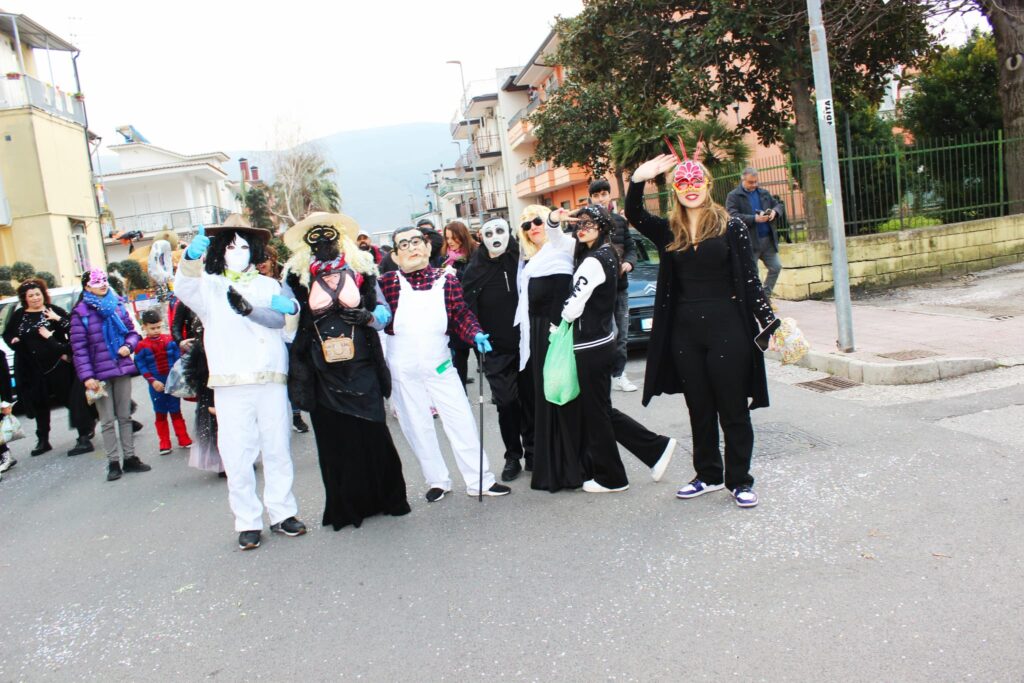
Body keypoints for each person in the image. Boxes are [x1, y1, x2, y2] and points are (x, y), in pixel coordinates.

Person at [626, 148, 781, 508]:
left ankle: (739, 480)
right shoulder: (669, 229)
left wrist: (768, 322)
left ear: (708, 185)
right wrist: (638, 179)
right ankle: (708, 475)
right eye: (683, 183)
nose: (690, 188)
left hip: (728, 327)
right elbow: (634, 214)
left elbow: (750, 279)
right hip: (685, 333)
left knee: (733, 408)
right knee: (699, 407)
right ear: (675, 190)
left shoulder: (731, 225)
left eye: (696, 182)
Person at [175, 214, 307, 550]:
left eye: (245, 247)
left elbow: (288, 330)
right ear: (220, 249)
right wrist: (190, 258)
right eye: (231, 246)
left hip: (272, 379)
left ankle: (282, 512)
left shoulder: (269, 285)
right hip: (230, 382)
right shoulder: (209, 285)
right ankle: (247, 521)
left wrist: (292, 310)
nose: (238, 253)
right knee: (236, 454)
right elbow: (184, 288)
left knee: (278, 448)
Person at [284, 212, 411, 529]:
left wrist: (368, 316)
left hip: (362, 365)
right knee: (334, 440)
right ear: (306, 243)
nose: (322, 241)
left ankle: (388, 498)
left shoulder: (362, 269)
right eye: (315, 236)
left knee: (373, 432)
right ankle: (347, 507)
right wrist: (286, 312)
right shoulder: (296, 278)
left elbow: (383, 312)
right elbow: (288, 322)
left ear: (339, 237)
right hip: (321, 370)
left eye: (328, 234)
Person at [379, 225, 511, 502]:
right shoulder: (386, 284)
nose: (412, 248)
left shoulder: (446, 280)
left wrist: (475, 334)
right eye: (404, 244)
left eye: (417, 241)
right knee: (417, 427)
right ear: (395, 255)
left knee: (461, 420)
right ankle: (437, 480)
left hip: (439, 365)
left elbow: (460, 315)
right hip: (404, 370)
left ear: (428, 247)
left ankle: (480, 480)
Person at [559, 205, 676, 493]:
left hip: (591, 344)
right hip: (601, 341)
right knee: (600, 410)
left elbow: (573, 307)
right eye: (578, 224)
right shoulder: (609, 254)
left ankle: (614, 476)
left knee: (597, 412)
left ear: (602, 226)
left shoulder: (593, 260)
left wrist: (560, 317)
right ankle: (654, 450)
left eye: (588, 223)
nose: (581, 228)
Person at [513, 205, 584, 492]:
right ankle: (551, 465)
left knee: (558, 395)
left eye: (537, 221)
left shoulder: (561, 252)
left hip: (554, 334)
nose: (532, 227)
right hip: (535, 335)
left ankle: (568, 468)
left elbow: (561, 300)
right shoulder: (530, 261)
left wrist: (554, 334)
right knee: (544, 398)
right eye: (526, 225)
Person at [462, 217, 534, 482]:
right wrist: (475, 335)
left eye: (500, 231)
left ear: (509, 233)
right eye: (489, 233)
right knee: (506, 403)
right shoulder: (475, 269)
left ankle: (534, 452)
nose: (495, 237)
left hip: (526, 345)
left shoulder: (523, 260)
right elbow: (465, 308)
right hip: (495, 350)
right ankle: (512, 455)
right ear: (481, 238)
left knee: (531, 400)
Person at [70, 269, 150, 481]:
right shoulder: (81, 313)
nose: (103, 284)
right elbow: (79, 348)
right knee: (106, 420)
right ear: (87, 286)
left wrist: (128, 346)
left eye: (104, 280)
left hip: (121, 368)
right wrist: (87, 377)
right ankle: (113, 462)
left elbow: (132, 332)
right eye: (97, 282)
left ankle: (130, 458)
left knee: (124, 416)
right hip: (99, 374)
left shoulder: (117, 305)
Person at [2, 279, 95, 457]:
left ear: (43, 294)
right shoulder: (19, 315)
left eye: (38, 294)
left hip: (57, 365)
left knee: (71, 400)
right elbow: (8, 334)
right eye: (31, 295)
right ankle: (43, 440)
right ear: (25, 298)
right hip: (31, 368)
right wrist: (13, 340)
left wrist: (65, 349)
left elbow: (73, 328)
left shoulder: (53, 311)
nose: (35, 298)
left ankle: (84, 434)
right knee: (39, 404)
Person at [588, 179, 639, 392]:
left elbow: (631, 247)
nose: (601, 198)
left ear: (610, 196)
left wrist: (629, 262)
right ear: (591, 198)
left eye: (604, 194)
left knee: (622, 334)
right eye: (596, 195)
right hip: (596, 291)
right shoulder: (585, 221)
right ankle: (601, 375)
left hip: (620, 287)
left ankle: (619, 374)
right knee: (604, 333)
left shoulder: (619, 221)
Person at [256, 246, 310, 434]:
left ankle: (296, 415)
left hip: (289, 334)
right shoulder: (253, 282)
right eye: (258, 260)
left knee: (293, 375)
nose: (261, 263)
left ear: (272, 259)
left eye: (265, 258)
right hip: (268, 335)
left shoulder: (285, 279)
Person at [172, 301, 224, 478]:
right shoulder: (186, 301)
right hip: (202, 360)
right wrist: (181, 341)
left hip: (225, 356)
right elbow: (176, 327)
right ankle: (220, 460)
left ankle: (242, 454)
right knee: (210, 412)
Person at [134, 308, 192, 455]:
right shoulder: (141, 346)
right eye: (152, 328)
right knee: (160, 412)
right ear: (144, 327)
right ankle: (164, 442)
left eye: (158, 327)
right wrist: (152, 381)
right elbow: (141, 366)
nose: (156, 331)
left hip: (172, 381)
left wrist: (179, 377)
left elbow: (177, 360)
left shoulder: (169, 340)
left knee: (176, 410)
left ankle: (183, 438)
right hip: (156, 383)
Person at [725, 168, 785, 303]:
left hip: (768, 240)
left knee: (776, 267)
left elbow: (778, 205)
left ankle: (765, 296)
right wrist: (754, 219)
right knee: (753, 275)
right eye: (750, 182)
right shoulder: (733, 196)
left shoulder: (763, 193)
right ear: (743, 179)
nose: (754, 185)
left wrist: (774, 212)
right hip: (749, 241)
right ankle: (757, 301)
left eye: (756, 182)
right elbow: (732, 215)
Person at [442, 220, 478, 388]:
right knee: (459, 360)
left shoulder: (476, 253)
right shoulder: (446, 258)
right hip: (455, 313)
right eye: (447, 238)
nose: (450, 241)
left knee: (484, 355)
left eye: (453, 237)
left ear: (462, 236)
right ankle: (460, 394)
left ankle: (497, 394)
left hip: (475, 311)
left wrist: (457, 273)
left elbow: (476, 280)